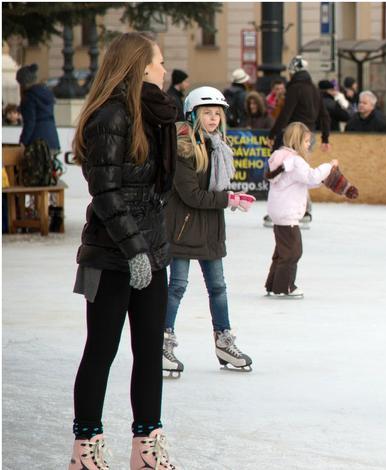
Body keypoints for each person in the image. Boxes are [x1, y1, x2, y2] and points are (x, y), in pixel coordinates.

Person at [70, 32, 179, 469]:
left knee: (150, 350)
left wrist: (149, 252)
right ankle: (86, 446)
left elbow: (154, 189)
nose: (164, 68)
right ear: (139, 66)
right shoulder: (109, 116)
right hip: (109, 256)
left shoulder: (152, 116)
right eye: (159, 60)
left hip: (151, 253)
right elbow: (106, 192)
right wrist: (134, 250)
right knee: (102, 349)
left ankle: (146, 443)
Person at [162, 86, 256, 377]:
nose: (213, 118)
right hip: (182, 229)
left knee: (218, 288)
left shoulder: (218, 146)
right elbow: (191, 195)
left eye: (217, 113)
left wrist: (232, 196)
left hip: (211, 229)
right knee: (176, 287)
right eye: (207, 113)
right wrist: (227, 199)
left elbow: (215, 190)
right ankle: (161, 342)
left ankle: (223, 342)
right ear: (193, 114)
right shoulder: (184, 148)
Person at [264, 122, 336, 298]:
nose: (307, 146)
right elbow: (311, 176)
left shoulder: (280, 156)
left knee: (282, 251)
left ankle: (273, 284)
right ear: (296, 141)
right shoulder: (295, 160)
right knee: (293, 251)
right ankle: (285, 286)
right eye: (306, 142)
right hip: (288, 213)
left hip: (278, 211)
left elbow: (302, 181)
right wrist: (329, 167)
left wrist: (322, 182)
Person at [266, 55, 331, 228]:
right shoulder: (314, 89)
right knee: (301, 172)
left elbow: (285, 114)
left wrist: (272, 135)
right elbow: (324, 114)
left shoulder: (295, 88)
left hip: (295, 136)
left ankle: (297, 210)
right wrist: (325, 138)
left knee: (287, 173)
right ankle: (303, 210)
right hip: (309, 137)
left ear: (293, 71)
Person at [16, 63, 60, 153]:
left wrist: (23, 142)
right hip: (53, 139)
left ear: (23, 83)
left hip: (37, 143)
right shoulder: (47, 92)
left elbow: (30, 122)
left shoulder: (29, 97)